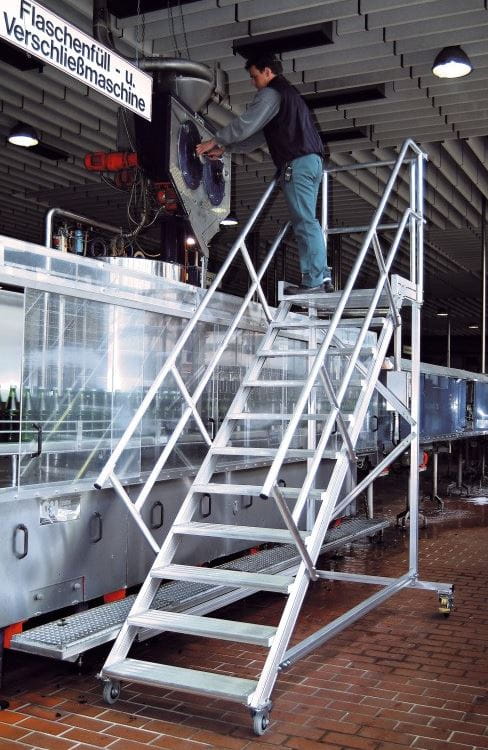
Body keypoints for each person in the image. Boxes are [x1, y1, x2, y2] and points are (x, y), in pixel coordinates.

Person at [196, 54, 333, 295]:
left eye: (254, 76)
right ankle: (321, 276)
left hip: (297, 163)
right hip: (311, 162)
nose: (253, 83)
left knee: (304, 221)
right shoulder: (289, 97)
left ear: (268, 72)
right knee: (308, 220)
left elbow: (246, 124)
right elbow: (259, 136)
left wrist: (215, 140)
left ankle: (315, 280)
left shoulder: (272, 93)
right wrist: (226, 149)